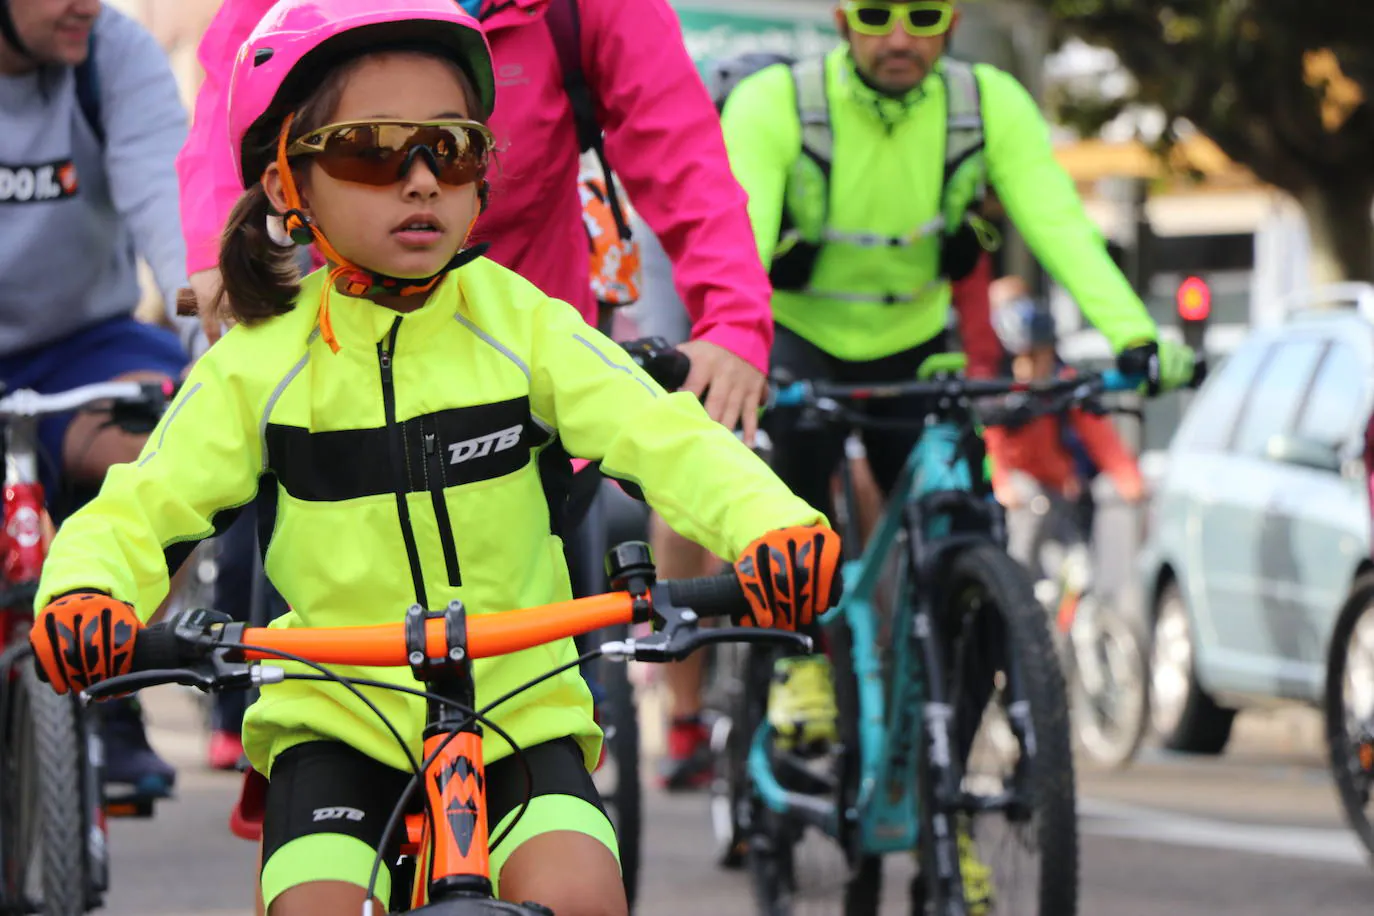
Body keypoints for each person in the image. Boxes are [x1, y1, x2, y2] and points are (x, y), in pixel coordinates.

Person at [26, 3, 843, 914]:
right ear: (287, 185)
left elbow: (665, 435)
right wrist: (86, 593)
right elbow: (143, 505)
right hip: (337, 716)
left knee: (584, 895)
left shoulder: (526, 322)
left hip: (520, 706)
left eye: (451, 150)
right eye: (372, 150)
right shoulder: (256, 362)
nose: (420, 182)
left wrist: (772, 526)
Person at [177, 0, 780, 790]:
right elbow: (239, 87)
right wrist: (228, 250)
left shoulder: (583, 11)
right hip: (333, 363)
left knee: (551, 675)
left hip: (532, 367)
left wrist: (733, 324)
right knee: (314, 691)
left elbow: (680, 148)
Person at [718, 0, 1195, 829]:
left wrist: (1132, 334)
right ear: (840, 18)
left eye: (922, 15)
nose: (899, 37)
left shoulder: (988, 103)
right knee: (789, 476)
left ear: (951, 20)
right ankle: (797, 657)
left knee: (972, 542)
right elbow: (741, 242)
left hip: (916, 344)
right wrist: (739, 349)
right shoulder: (778, 103)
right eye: (876, 14)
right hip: (797, 342)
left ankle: (944, 787)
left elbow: (1059, 223)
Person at [0, 0, 196, 798]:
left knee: (169, 449)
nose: (87, 2)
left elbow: (173, 216)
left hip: (85, 343)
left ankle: (111, 682)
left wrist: (221, 348)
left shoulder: (113, 55)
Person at [984, 275, 1146, 585]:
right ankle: (1017, 594)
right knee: (1026, 536)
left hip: (1061, 486)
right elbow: (993, 443)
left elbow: (1099, 433)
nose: (1032, 368)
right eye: (1025, 358)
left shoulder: (1062, 382)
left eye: (1038, 356)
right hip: (1020, 490)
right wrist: (1003, 484)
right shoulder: (998, 390)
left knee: (1079, 563)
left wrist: (1128, 479)